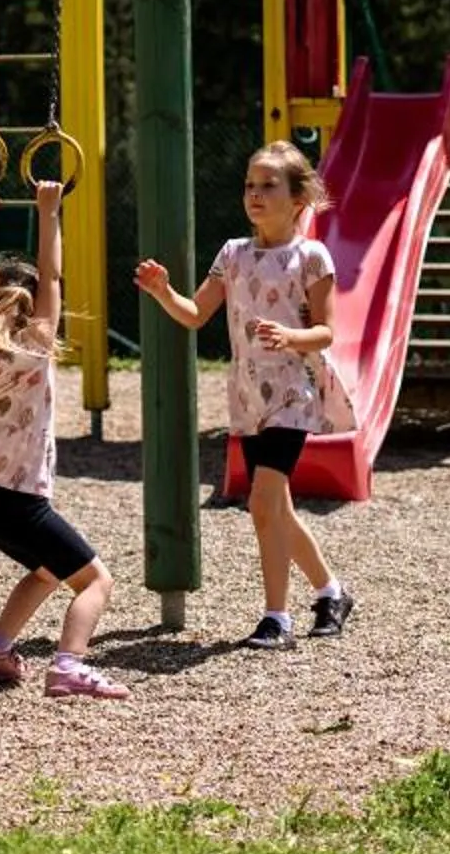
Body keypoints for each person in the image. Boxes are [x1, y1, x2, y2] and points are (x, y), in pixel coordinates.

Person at [132, 140, 359, 650]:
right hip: (248, 398)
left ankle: (276, 617)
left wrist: (291, 337)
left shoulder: (311, 256)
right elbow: (194, 314)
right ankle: (331, 591)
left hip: (293, 395)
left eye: (268, 186)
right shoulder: (233, 254)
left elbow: (325, 332)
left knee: (262, 501)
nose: (254, 195)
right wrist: (164, 291)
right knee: (273, 508)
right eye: (249, 186)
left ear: (298, 199)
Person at [0, 172, 130, 700]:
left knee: (48, 571)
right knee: (96, 581)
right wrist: (49, 212)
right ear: (31, 309)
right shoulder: (35, 348)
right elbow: (54, 279)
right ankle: (69, 665)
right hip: (22, 504)